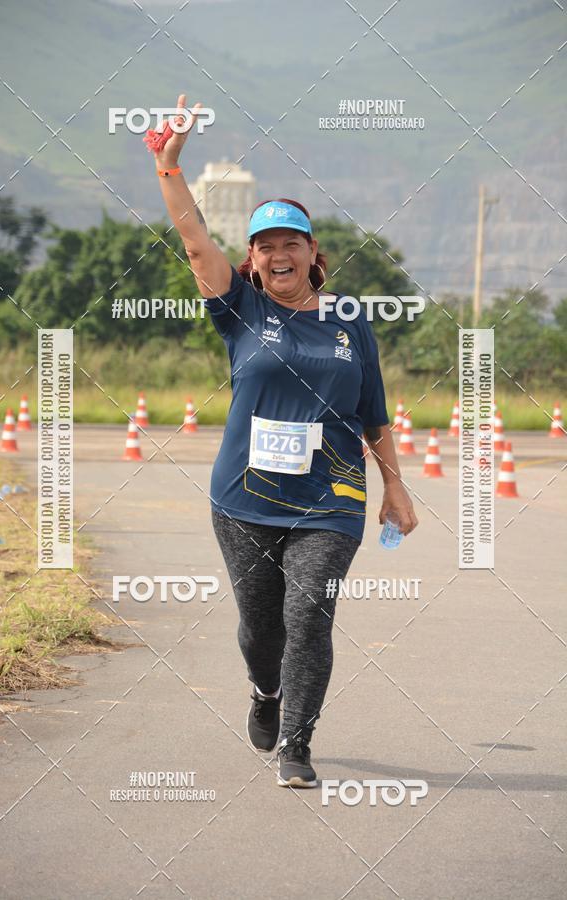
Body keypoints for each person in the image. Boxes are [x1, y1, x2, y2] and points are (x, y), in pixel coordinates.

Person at [152, 95, 418, 788]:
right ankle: (264, 691)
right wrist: (169, 164)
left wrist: (396, 488)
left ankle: (297, 745)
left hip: (332, 498)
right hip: (245, 498)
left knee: (310, 614)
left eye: (291, 243)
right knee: (261, 627)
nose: (279, 254)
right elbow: (193, 239)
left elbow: (374, 412)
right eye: (265, 245)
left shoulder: (349, 320)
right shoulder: (238, 308)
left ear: (311, 253)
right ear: (252, 258)